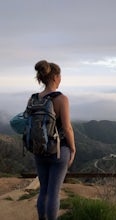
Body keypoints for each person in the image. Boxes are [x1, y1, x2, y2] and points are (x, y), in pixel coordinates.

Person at [31, 60, 76, 220]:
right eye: (60, 75)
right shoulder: (61, 99)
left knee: (43, 190)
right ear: (56, 77)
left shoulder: (34, 98)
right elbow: (67, 128)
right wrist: (72, 149)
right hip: (58, 151)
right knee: (54, 193)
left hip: (38, 149)